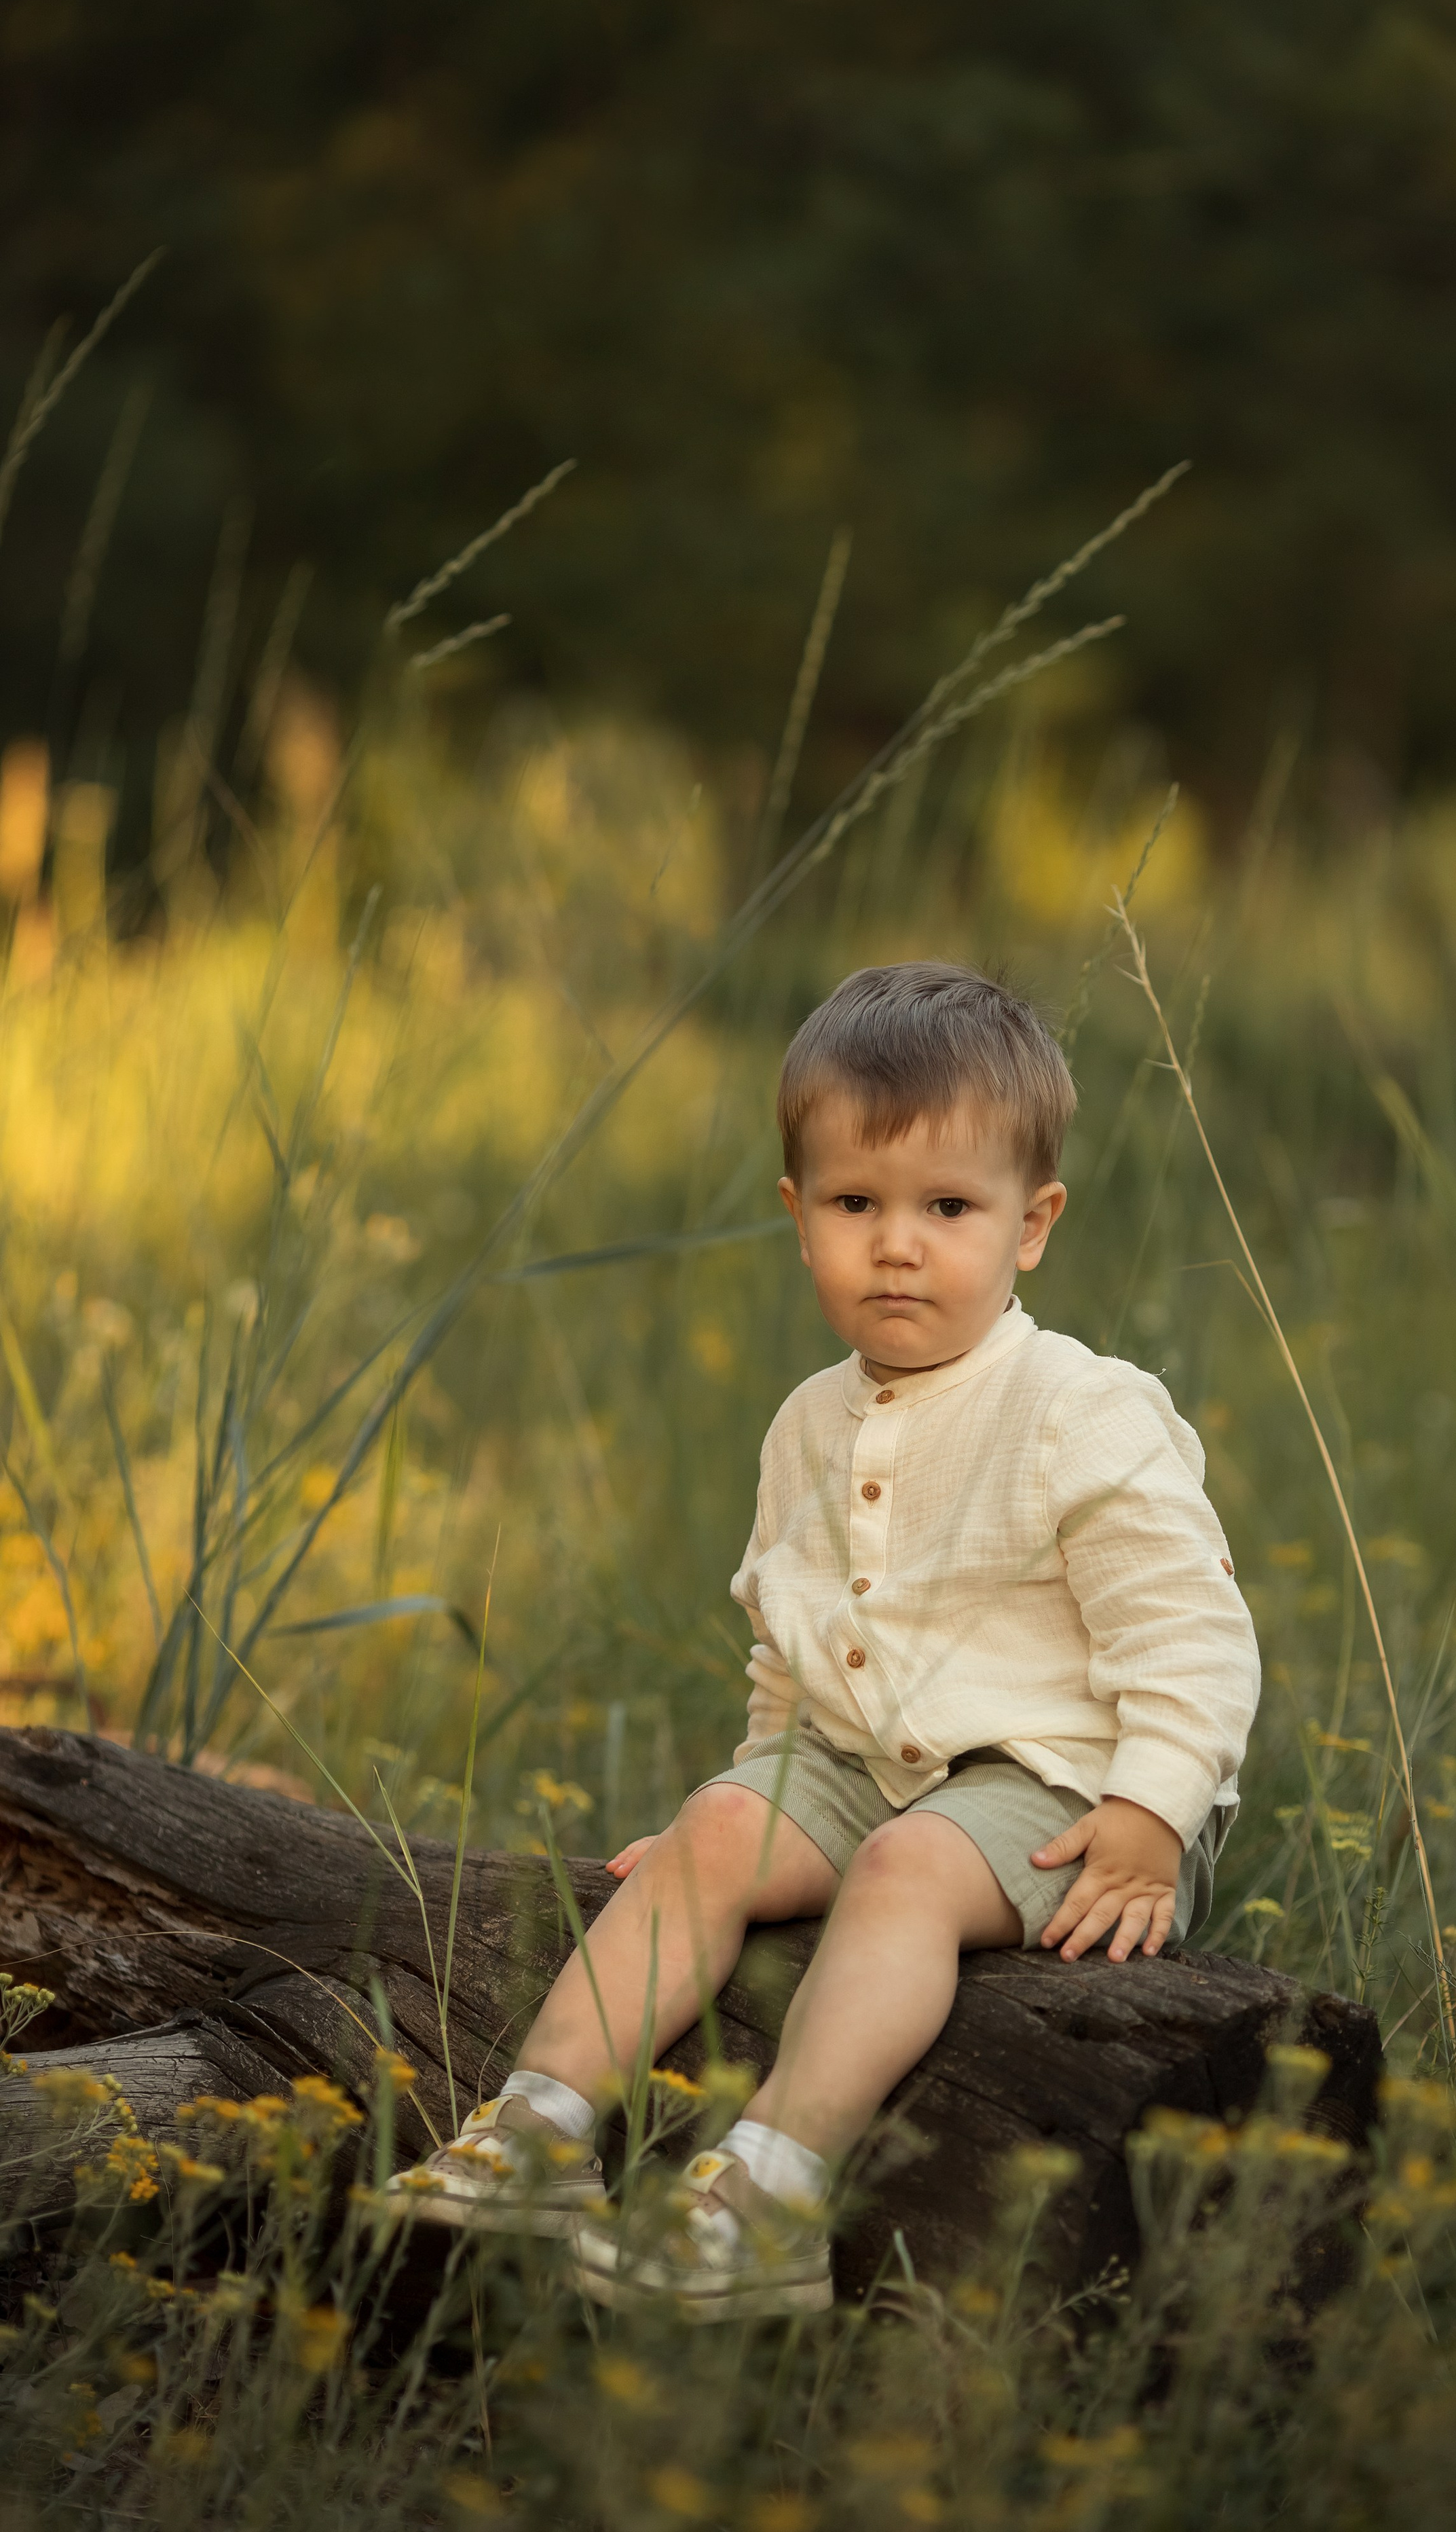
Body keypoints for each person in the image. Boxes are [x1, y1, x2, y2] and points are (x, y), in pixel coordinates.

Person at [387, 961, 1261, 2319]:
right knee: (715, 1832)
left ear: (1031, 1225)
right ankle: (540, 2125)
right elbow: (794, 1645)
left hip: (1070, 1791)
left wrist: (1154, 1809)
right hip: (867, 1763)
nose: (896, 1244)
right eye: (856, 1205)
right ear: (800, 1221)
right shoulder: (804, 1422)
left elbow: (1190, 1635)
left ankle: (769, 2190)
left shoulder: (1077, 1408)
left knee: (911, 1864)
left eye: (947, 1209)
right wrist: (746, 1803)